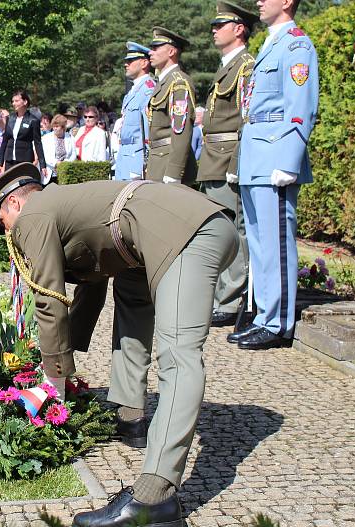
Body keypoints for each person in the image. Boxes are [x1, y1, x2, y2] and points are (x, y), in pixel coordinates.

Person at [0, 163, 236, 527]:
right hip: (166, 229)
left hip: (188, 232)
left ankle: (155, 496)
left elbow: (49, 298)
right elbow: (91, 284)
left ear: (15, 202)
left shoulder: (33, 214)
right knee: (131, 292)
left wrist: (54, 381)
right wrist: (66, 354)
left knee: (179, 357)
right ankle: (130, 416)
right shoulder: (66, 206)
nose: (8, 232)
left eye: (3, 222)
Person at [235, 0, 319, 350]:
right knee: (259, 244)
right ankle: (262, 315)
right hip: (256, 153)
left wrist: (289, 158)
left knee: (276, 243)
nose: (258, 1)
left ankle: (277, 323)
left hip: (275, 154)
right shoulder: (270, 45)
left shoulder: (297, 45)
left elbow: (301, 105)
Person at [198, 1, 258, 328]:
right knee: (220, 231)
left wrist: (238, 160)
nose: (213, 29)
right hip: (213, 159)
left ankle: (231, 300)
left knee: (233, 231)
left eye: (220, 24)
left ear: (239, 29)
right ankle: (223, 296)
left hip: (227, 158)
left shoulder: (245, 66)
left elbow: (246, 119)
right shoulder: (228, 66)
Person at [146, 27, 198, 184]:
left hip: (168, 165)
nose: (150, 52)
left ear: (171, 52)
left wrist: (174, 171)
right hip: (158, 162)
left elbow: (181, 130)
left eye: (156, 48)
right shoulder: (164, 82)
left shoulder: (178, 82)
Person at [115, 42, 156, 181]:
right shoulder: (133, 91)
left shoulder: (148, 90)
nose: (126, 64)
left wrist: (146, 164)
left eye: (131, 61)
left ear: (144, 63)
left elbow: (148, 130)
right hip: (125, 156)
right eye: (126, 61)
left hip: (137, 159)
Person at [0, 89, 46, 177]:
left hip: (24, 162)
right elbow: (5, 141)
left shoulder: (33, 120)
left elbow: (38, 143)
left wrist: (42, 165)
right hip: (9, 161)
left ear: (25, 102)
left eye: (16, 101)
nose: (13, 103)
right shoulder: (10, 118)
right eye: (13, 101)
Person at [40, 114, 77, 184]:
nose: (54, 128)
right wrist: (56, 163)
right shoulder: (46, 138)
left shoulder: (70, 137)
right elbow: (45, 155)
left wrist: (65, 163)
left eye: (57, 126)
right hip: (50, 173)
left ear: (63, 127)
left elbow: (73, 155)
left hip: (65, 172)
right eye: (53, 126)